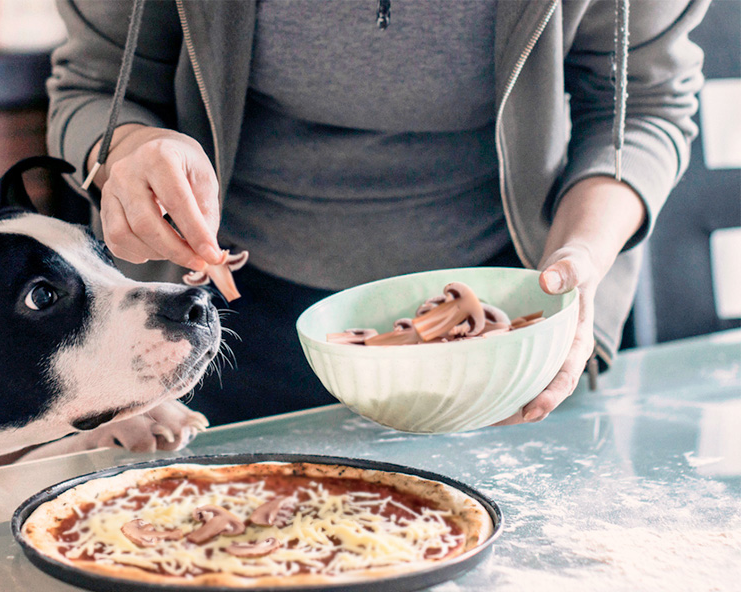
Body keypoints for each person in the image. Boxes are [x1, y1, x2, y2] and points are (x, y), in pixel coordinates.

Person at [46, 0, 709, 426]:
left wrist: (583, 256)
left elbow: (641, 107)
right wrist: (129, 148)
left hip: (512, 326)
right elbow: (95, 90)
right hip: (235, 329)